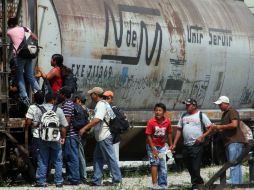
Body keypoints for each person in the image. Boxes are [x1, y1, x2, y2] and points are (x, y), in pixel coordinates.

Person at [79, 87, 122, 186]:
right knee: (97, 158)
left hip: (104, 136)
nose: (90, 96)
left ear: (96, 94)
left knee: (110, 159)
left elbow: (97, 119)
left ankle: (117, 180)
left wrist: (84, 128)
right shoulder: (105, 104)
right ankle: (97, 180)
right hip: (102, 137)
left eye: (92, 94)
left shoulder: (101, 104)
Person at [170, 98, 213, 190]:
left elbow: (211, 128)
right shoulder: (183, 116)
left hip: (197, 145)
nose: (186, 106)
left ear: (194, 105)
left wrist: (202, 136)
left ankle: (195, 186)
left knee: (195, 166)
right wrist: (174, 143)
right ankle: (199, 183)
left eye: (188, 105)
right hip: (186, 145)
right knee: (188, 165)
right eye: (186, 105)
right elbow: (179, 130)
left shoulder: (201, 115)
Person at [33, 93, 68, 187]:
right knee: (58, 161)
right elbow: (64, 126)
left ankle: (41, 181)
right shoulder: (59, 110)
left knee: (43, 160)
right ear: (53, 100)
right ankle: (58, 182)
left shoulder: (39, 109)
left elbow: (35, 124)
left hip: (43, 139)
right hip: (56, 139)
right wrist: (63, 138)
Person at [7, 17, 40, 106]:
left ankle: (24, 96)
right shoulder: (25, 28)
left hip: (20, 55)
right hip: (29, 54)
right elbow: (35, 38)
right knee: (30, 75)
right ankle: (39, 91)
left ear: (10, 25)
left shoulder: (9, 31)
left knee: (20, 75)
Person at [212, 96, 245, 184]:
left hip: (234, 141)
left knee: (234, 164)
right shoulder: (225, 113)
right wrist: (217, 126)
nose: (219, 106)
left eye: (220, 104)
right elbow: (226, 126)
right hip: (231, 142)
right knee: (235, 164)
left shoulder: (232, 111)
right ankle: (237, 184)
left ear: (226, 103)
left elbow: (234, 125)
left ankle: (234, 184)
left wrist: (220, 126)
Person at [146, 103, 172, 189]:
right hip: (152, 145)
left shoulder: (167, 121)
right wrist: (153, 149)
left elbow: (169, 133)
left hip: (162, 146)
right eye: (156, 110)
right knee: (154, 163)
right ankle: (155, 185)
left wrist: (171, 145)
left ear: (164, 112)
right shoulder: (151, 122)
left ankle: (163, 184)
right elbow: (148, 136)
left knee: (162, 164)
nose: (157, 112)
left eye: (160, 110)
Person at [59, 87, 80, 185]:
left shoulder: (67, 105)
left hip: (70, 135)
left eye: (60, 94)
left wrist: (63, 136)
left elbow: (66, 123)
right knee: (70, 156)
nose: (59, 95)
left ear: (63, 95)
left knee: (72, 157)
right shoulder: (71, 103)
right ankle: (72, 177)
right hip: (72, 135)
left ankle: (74, 178)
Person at [25, 91, 44, 172]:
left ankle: (38, 175)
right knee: (44, 155)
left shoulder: (32, 107)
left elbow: (28, 122)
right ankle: (44, 175)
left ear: (34, 99)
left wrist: (33, 123)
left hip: (36, 136)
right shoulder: (46, 107)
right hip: (46, 135)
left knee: (36, 156)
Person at [74, 95, 89, 184]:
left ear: (79, 100)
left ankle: (83, 176)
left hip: (79, 134)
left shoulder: (79, 109)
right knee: (81, 155)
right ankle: (82, 175)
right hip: (85, 134)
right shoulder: (86, 109)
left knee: (80, 156)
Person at [103, 90, 120, 165]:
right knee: (113, 156)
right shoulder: (115, 108)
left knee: (114, 157)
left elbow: (112, 119)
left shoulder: (110, 108)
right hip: (113, 135)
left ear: (111, 98)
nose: (105, 100)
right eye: (104, 98)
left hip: (113, 135)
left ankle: (115, 175)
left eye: (106, 98)